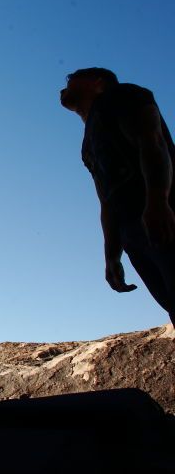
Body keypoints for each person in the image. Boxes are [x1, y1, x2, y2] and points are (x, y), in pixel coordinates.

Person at [60, 68, 175, 325]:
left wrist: (158, 201)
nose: (63, 88)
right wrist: (112, 254)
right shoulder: (88, 141)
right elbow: (106, 199)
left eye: (71, 80)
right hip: (134, 233)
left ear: (97, 81)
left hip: (163, 218)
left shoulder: (121, 95)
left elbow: (153, 143)